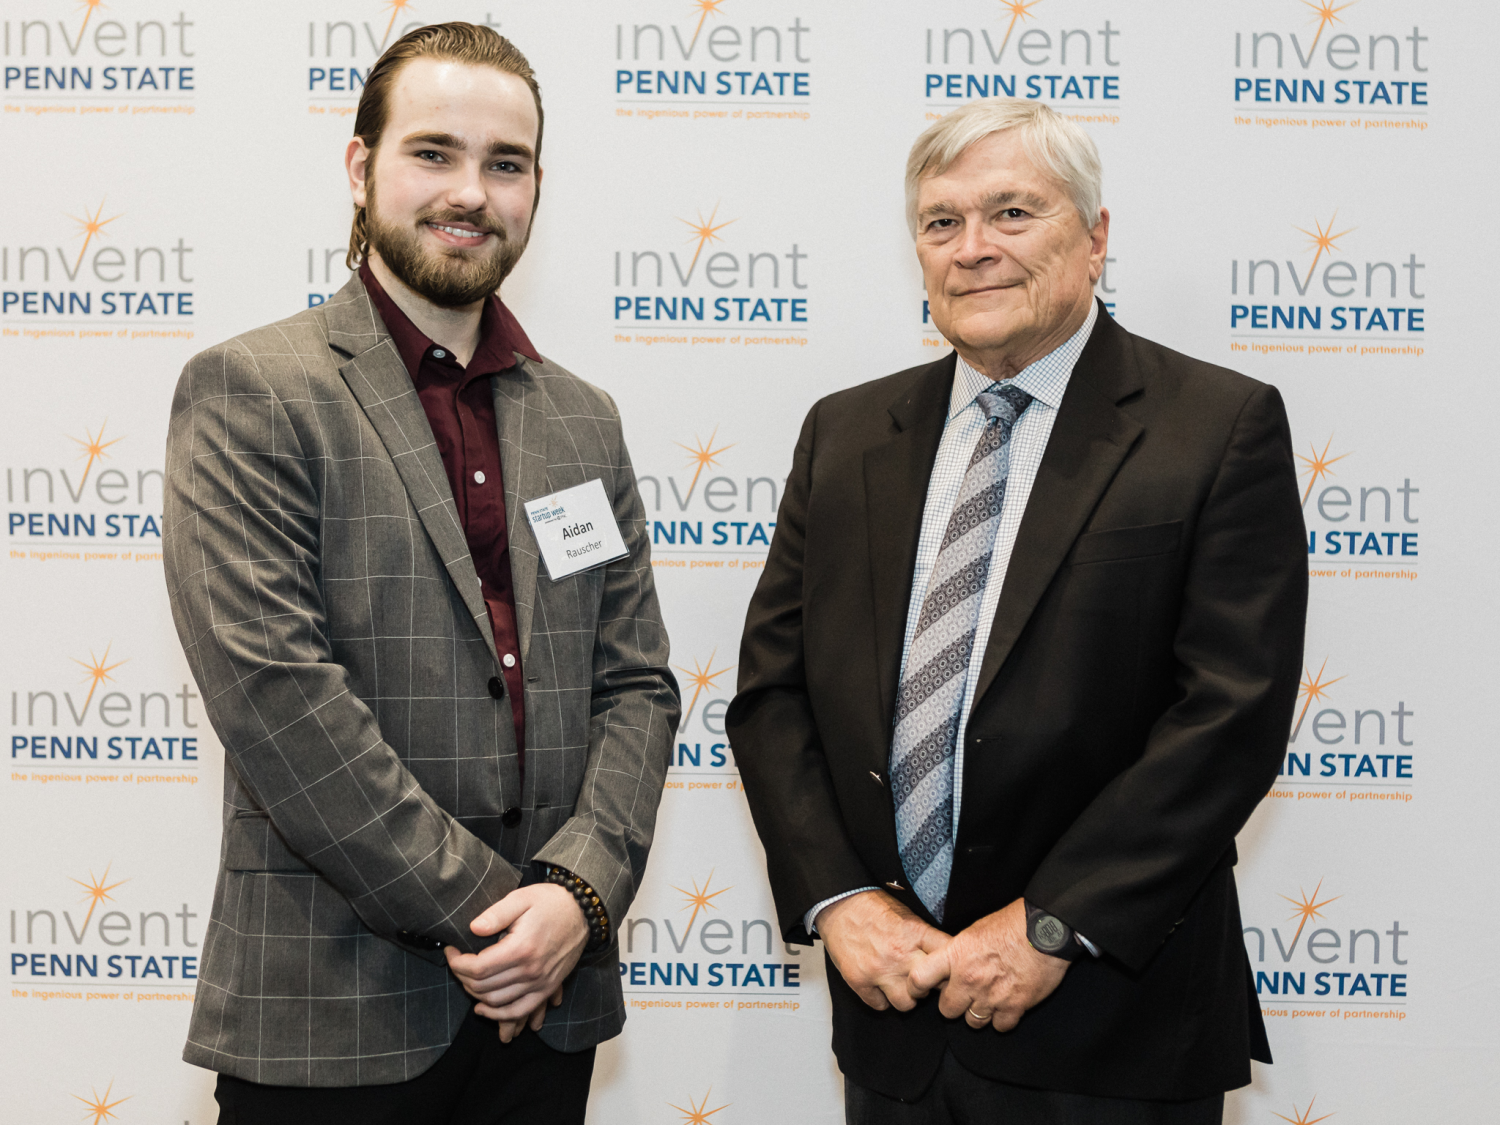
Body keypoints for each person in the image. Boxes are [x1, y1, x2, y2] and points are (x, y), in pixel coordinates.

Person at [726, 99, 1307, 1124]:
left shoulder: (1217, 428)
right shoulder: (845, 432)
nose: (973, 249)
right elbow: (775, 697)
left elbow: (1230, 714)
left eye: (1011, 213)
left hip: (1108, 1026)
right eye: (941, 223)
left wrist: (1051, 924)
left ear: (1095, 237)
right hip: (893, 1018)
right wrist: (840, 902)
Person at [162, 23, 679, 1125]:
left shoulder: (583, 420)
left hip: (545, 1021)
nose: (472, 193)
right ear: (362, 167)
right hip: (334, 1018)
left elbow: (634, 686)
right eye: (434, 153)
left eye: (507, 163)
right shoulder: (253, 389)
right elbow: (278, 700)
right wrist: (511, 918)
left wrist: (578, 897)